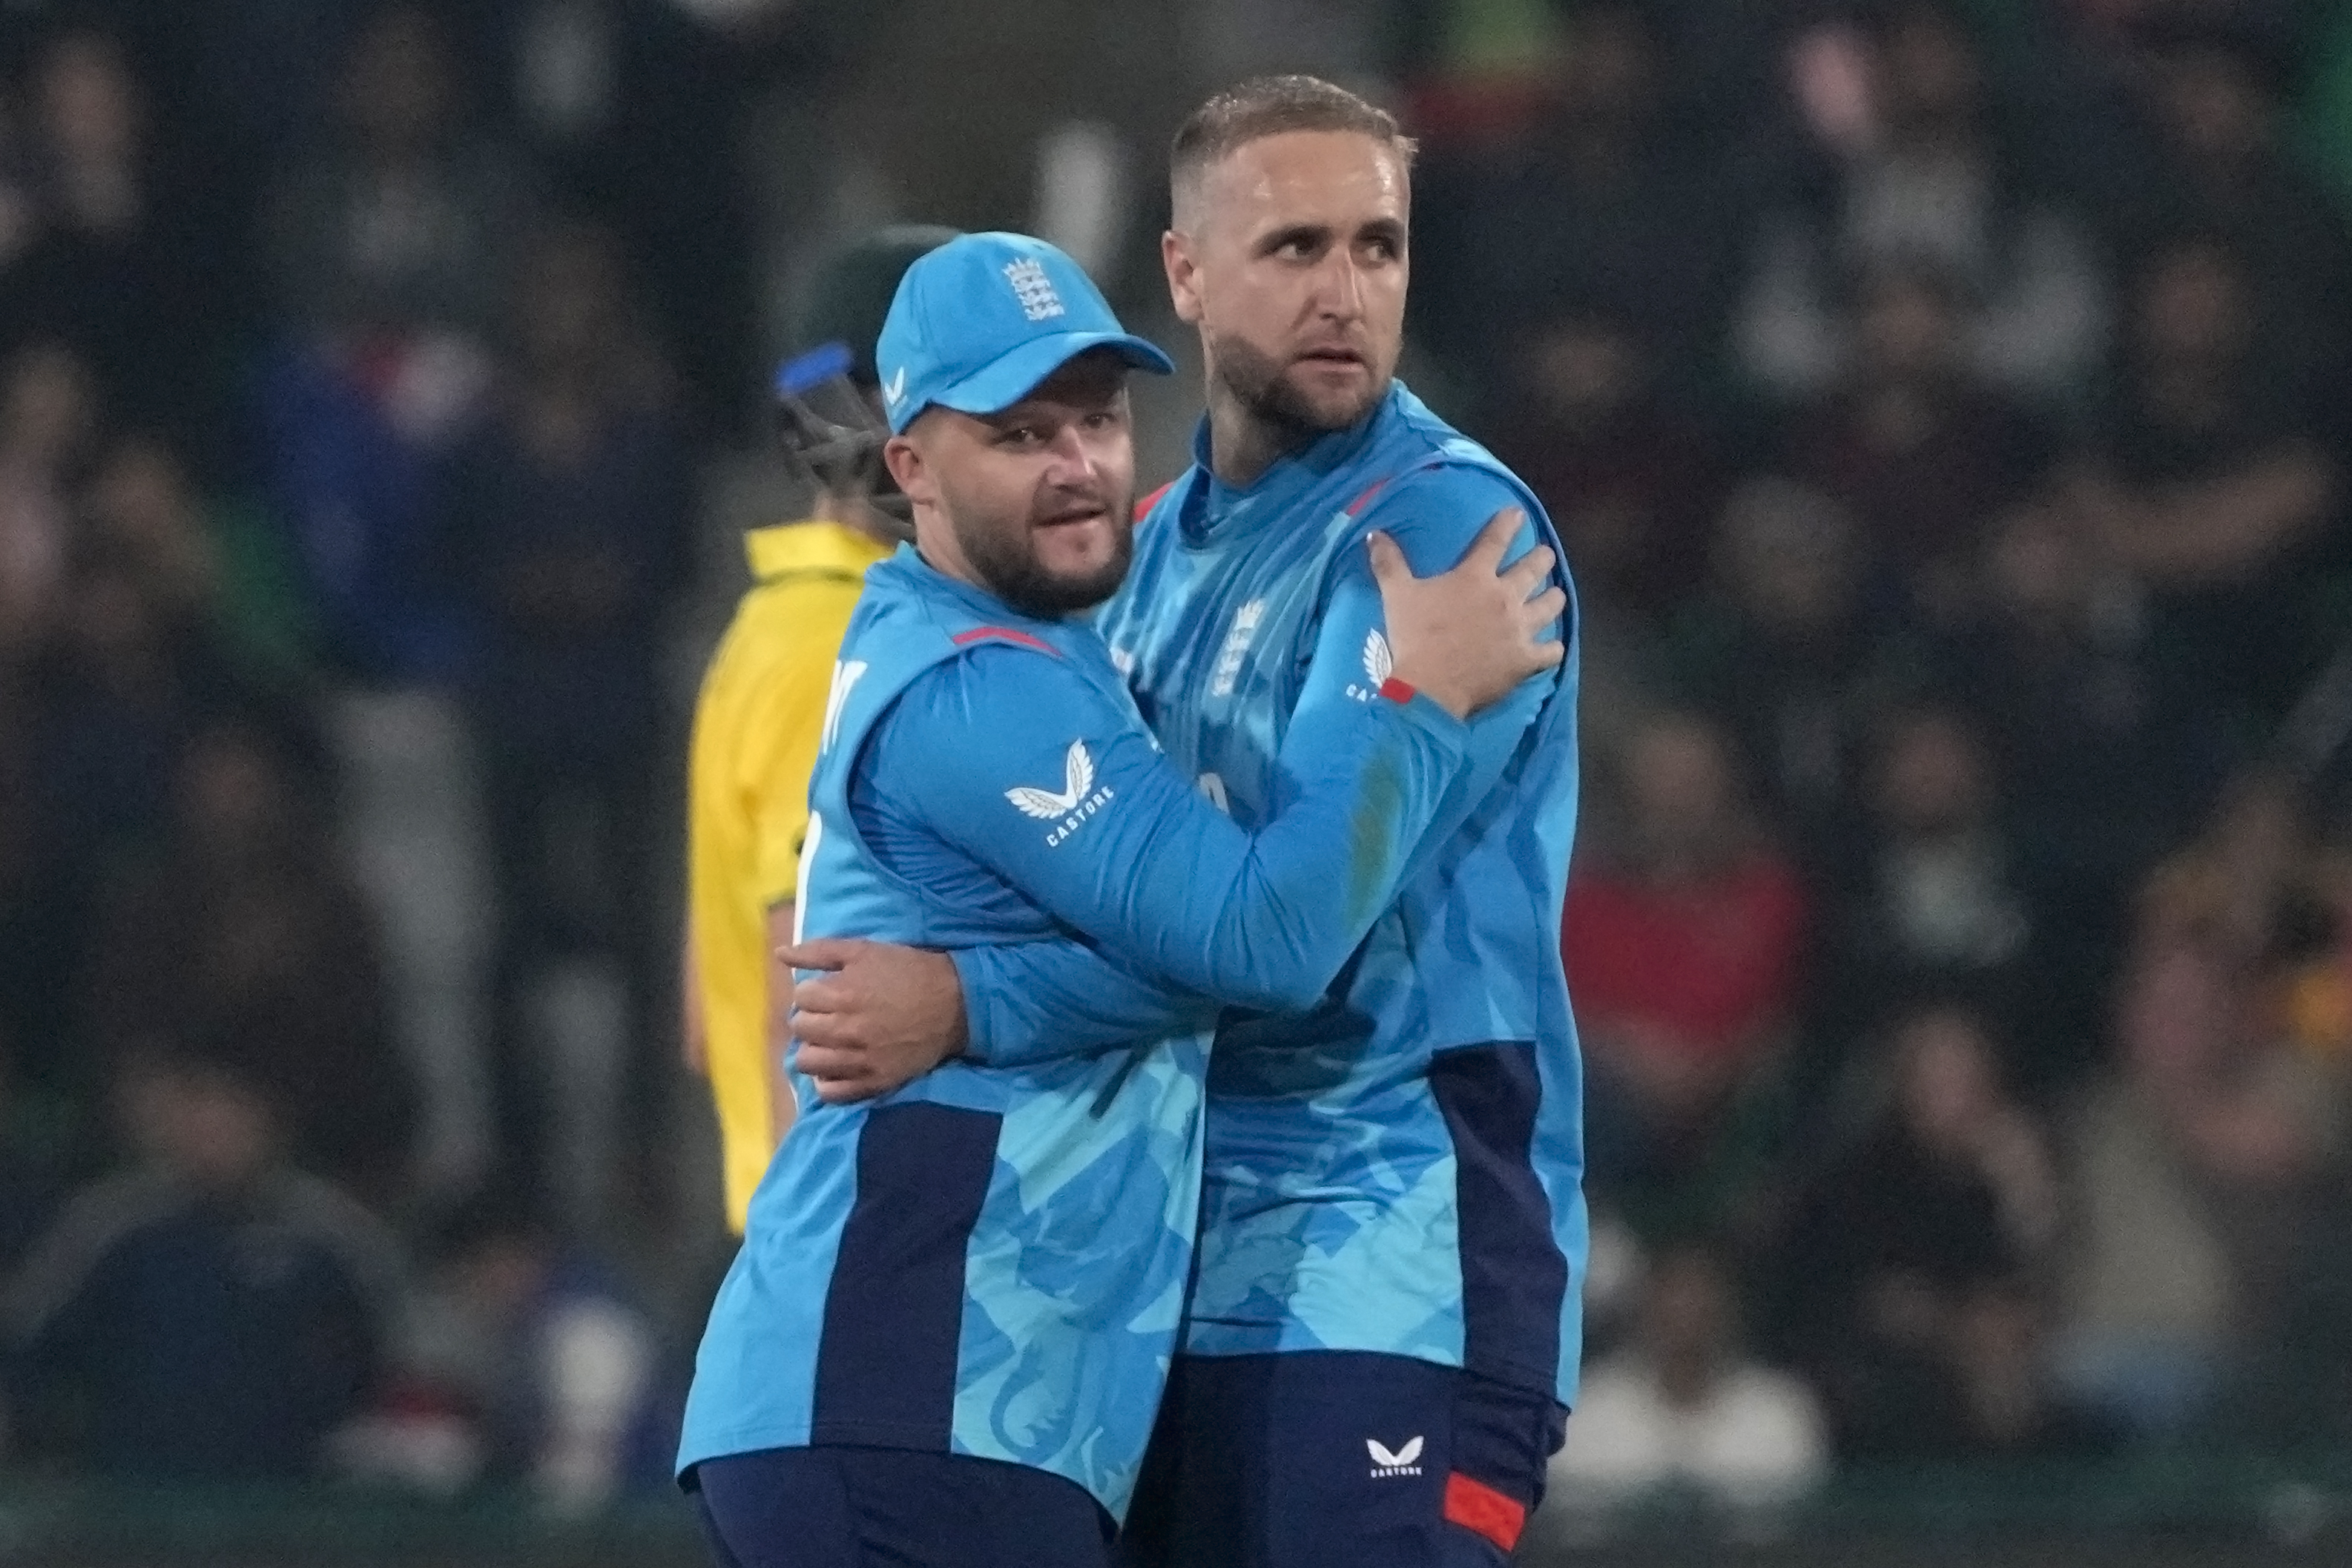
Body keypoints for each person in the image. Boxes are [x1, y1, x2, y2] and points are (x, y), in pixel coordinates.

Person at [781, 77, 1587, 1568]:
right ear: (1185, 274)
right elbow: (1166, 911)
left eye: (1377, 247)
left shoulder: (1439, 540)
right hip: (1156, 1284)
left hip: (1386, 1255)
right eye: (1293, 250)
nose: (1344, 291)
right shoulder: (1136, 558)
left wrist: (971, 1000)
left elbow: (1293, 937)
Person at [682, 225, 954, 1238]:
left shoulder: (779, 635)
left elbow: (704, 1014)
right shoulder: (834, 654)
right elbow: (812, 1011)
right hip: (855, 1272)